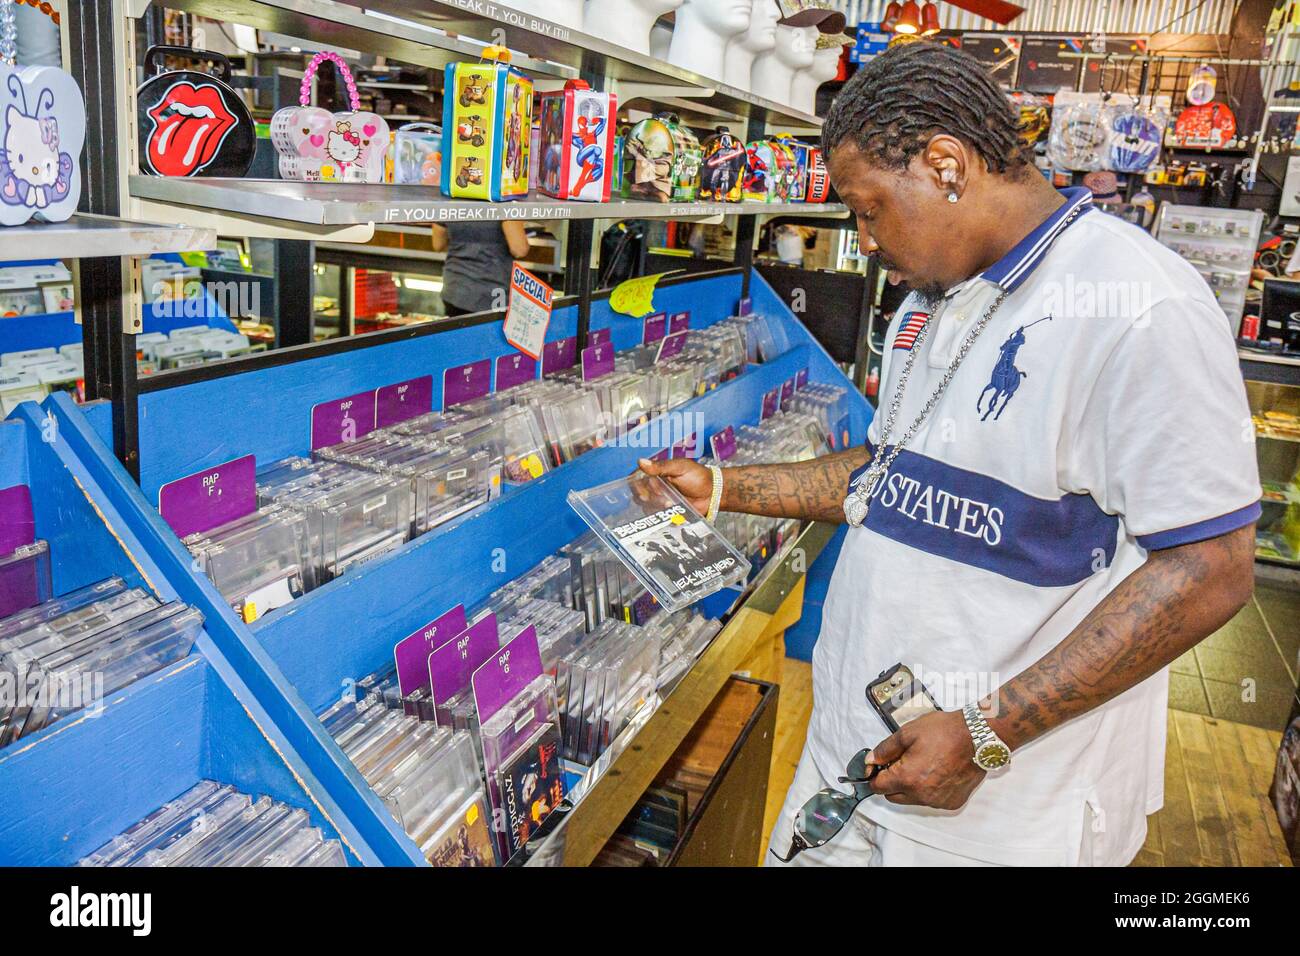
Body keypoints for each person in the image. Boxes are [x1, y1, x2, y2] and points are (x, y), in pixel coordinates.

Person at [639, 41, 1260, 867]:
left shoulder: (1142, 308)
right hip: (850, 763)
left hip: (1002, 815)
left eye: (867, 209)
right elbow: (893, 479)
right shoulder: (934, 298)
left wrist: (986, 733)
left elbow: (1210, 568)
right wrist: (724, 485)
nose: (862, 242)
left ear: (945, 165)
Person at [429, 221, 531, 316]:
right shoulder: (503, 204)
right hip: (493, 294)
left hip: (455, 290)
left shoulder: (449, 203)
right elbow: (519, 250)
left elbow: (438, 245)